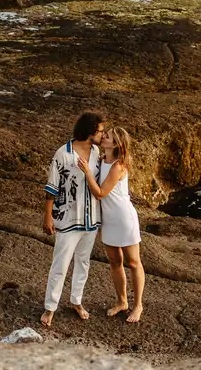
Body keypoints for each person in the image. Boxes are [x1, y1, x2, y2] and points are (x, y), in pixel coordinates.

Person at [40, 111, 104, 327]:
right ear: (90, 131)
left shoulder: (97, 152)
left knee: (83, 262)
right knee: (60, 264)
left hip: (91, 219)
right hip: (67, 219)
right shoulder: (63, 154)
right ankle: (50, 307)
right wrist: (48, 217)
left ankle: (76, 301)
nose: (103, 135)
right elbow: (52, 188)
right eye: (101, 131)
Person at [78, 126, 144, 323]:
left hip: (124, 219)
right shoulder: (100, 160)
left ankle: (138, 305)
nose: (103, 137)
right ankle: (122, 301)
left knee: (133, 262)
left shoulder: (118, 166)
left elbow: (100, 193)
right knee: (115, 262)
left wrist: (87, 172)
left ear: (116, 144)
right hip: (108, 220)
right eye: (104, 134)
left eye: (107, 137)